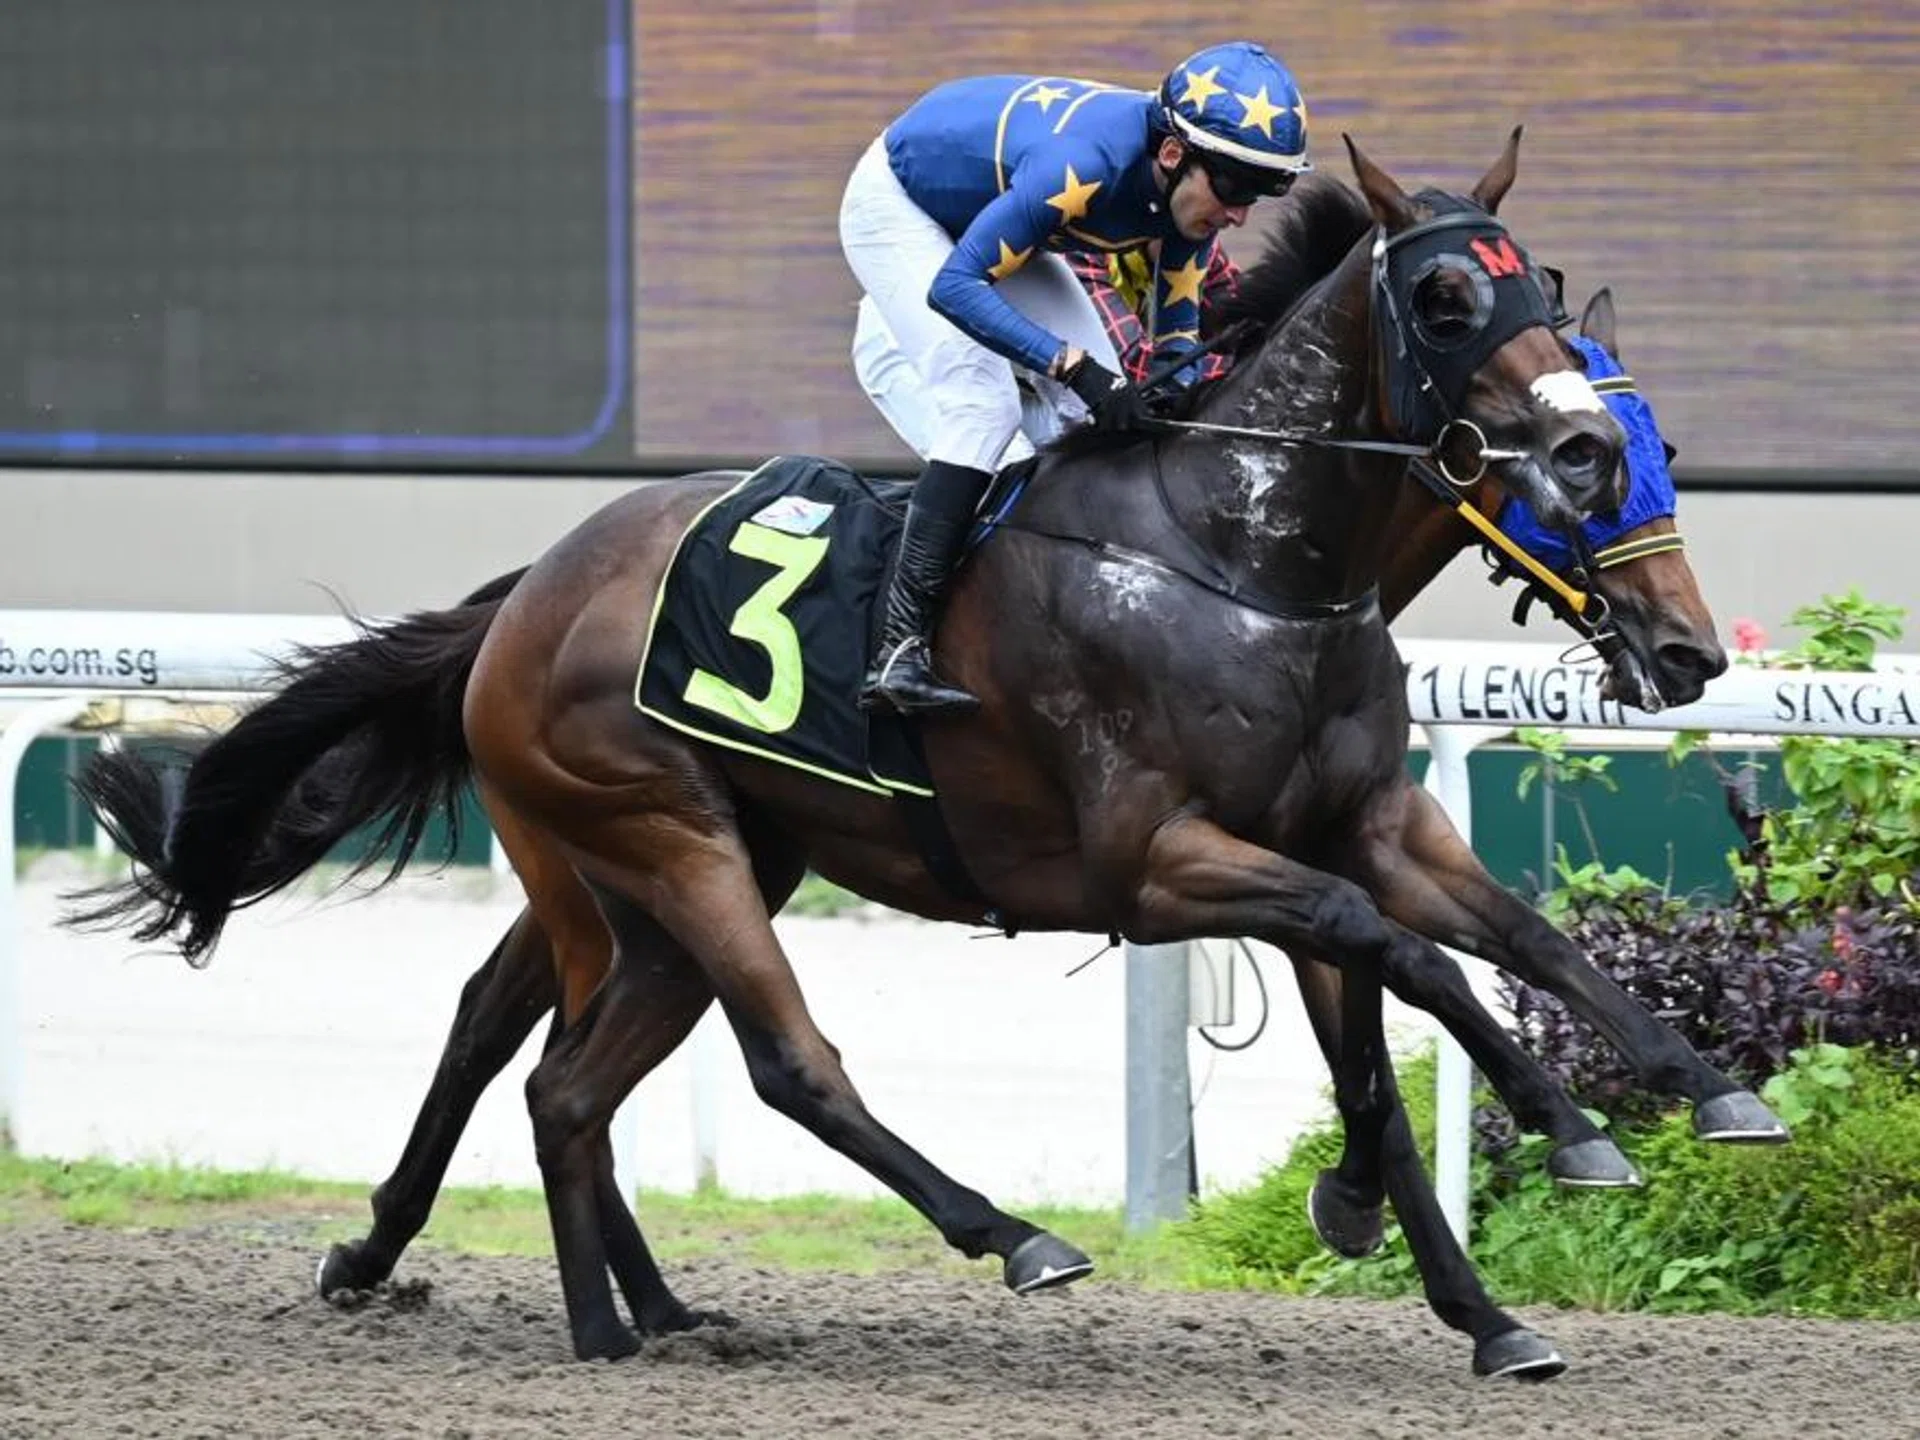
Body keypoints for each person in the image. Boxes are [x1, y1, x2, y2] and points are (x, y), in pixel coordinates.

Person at [840, 41, 1311, 715]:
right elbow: (955, 287)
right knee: (984, 406)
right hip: (903, 207)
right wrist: (1073, 366)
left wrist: (1165, 399)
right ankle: (897, 647)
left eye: (1261, 193)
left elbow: (1175, 327)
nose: (1239, 214)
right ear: (1174, 154)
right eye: (1233, 188)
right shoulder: (1083, 167)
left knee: (1090, 411)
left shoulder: (1183, 193)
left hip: (988, 209)